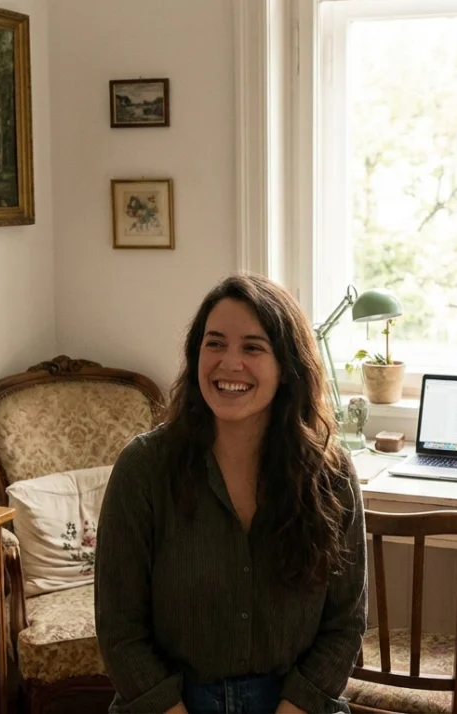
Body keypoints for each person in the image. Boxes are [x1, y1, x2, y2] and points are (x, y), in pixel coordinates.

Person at [95, 273, 368, 714]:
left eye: (253, 347)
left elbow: (345, 624)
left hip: (295, 706)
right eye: (215, 343)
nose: (229, 363)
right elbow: (119, 632)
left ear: (287, 367)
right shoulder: (143, 469)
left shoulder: (330, 474)